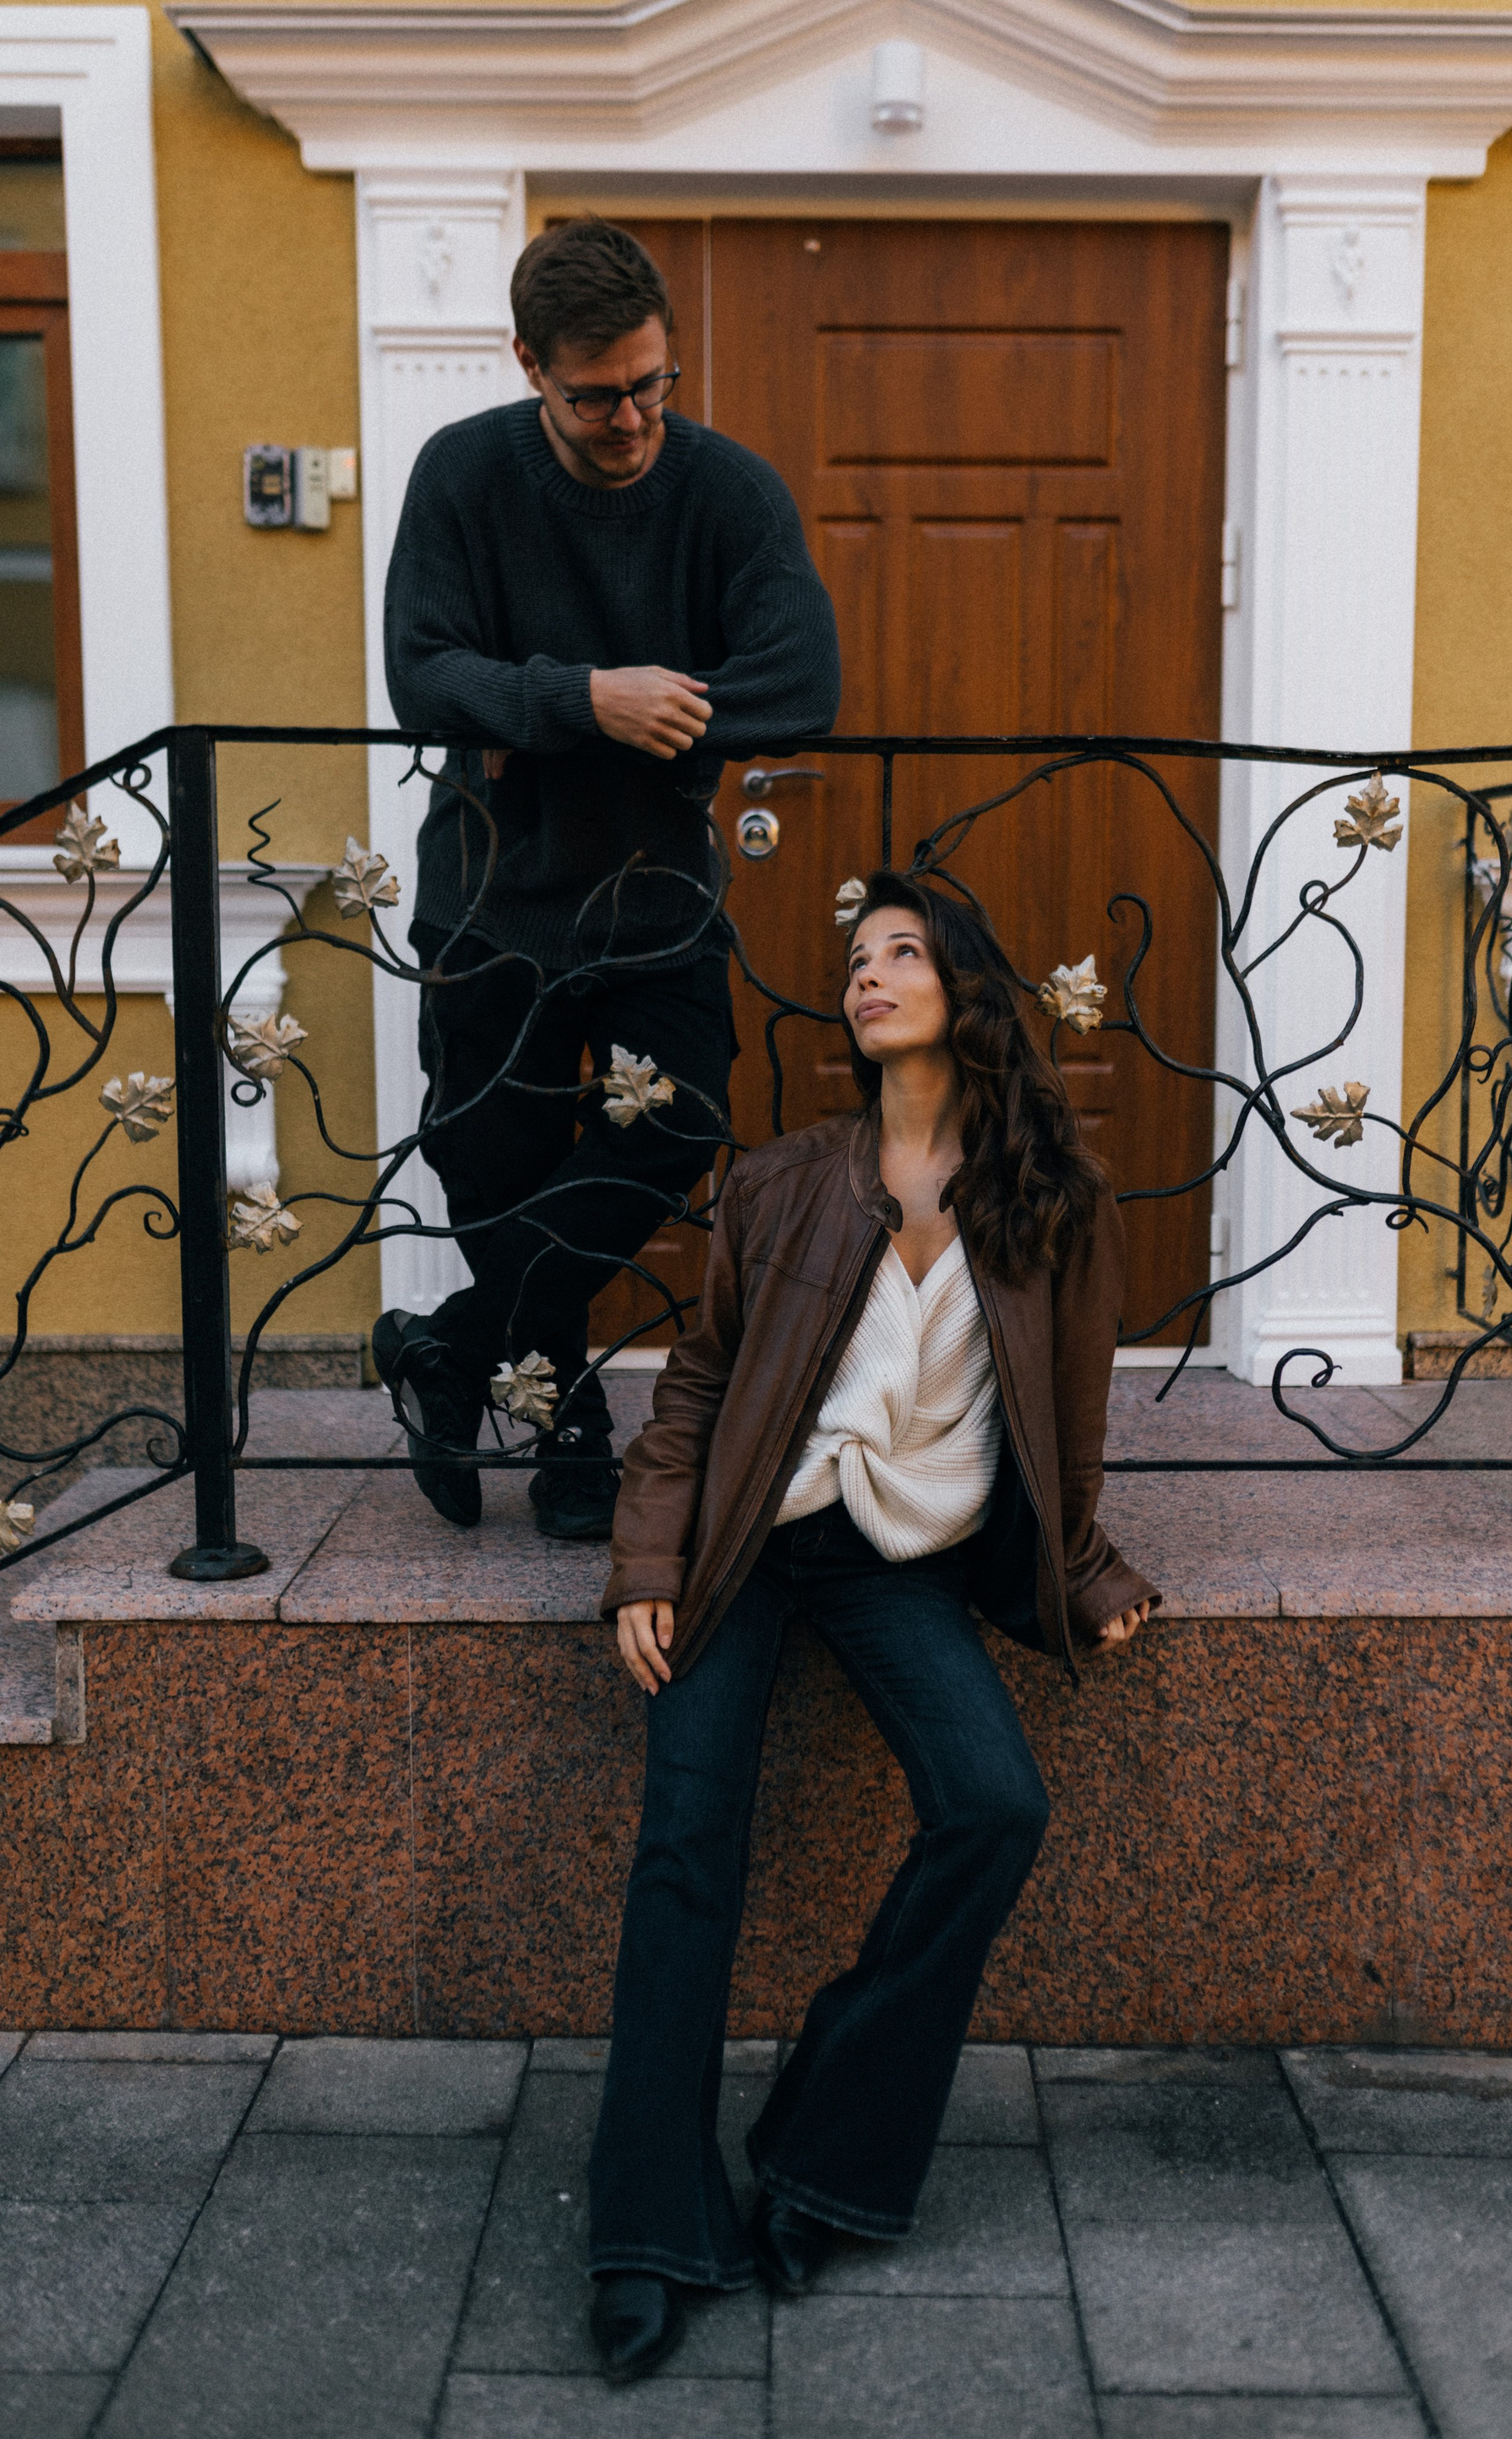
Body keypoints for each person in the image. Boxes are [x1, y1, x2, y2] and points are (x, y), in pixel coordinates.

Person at [586, 870, 1158, 2382]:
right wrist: (647, 1557)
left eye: (903, 951)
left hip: (897, 1558)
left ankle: (826, 2145)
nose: (868, 974)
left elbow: (1070, 1423)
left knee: (995, 1804)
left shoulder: (1054, 1198)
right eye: (856, 958)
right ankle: (647, 2226)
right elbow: (698, 1384)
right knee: (685, 1849)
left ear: (966, 990)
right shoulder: (784, 1181)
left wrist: (1085, 1571)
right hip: (745, 1543)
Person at [378, 218, 840, 1538]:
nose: (631, 417)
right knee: (496, 1163)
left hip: (656, 900)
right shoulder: (463, 473)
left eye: (652, 382)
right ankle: (568, 1429)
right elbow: (423, 673)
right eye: (595, 396)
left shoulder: (728, 491)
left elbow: (802, 679)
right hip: (492, 895)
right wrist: (588, 697)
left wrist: (605, 712)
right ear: (530, 364)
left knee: (677, 1125)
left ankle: (452, 1347)